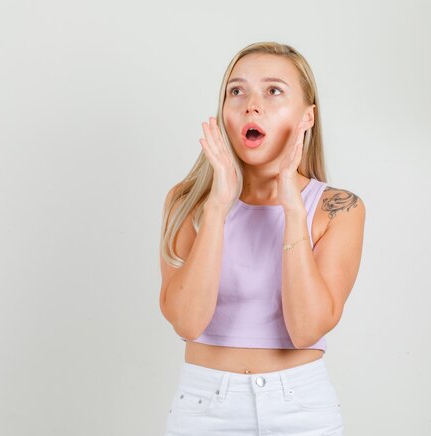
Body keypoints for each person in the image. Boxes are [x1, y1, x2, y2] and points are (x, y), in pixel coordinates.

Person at [159, 41, 365, 435]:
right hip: (203, 408)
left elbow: (307, 329)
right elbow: (187, 322)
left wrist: (292, 209)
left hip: (302, 409)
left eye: (273, 91)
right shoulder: (187, 202)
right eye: (237, 91)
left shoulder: (339, 208)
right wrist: (218, 206)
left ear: (308, 117)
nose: (252, 105)